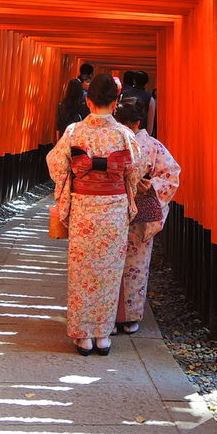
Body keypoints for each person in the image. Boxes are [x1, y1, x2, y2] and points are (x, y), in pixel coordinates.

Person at [47, 75, 143, 356]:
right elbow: (133, 171)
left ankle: (83, 336)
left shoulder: (75, 132)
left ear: (88, 101)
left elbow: (55, 164)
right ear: (116, 102)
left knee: (82, 272)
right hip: (113, 209)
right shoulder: (124, 134)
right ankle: (103, 335)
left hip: (84, 209)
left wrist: (75, 179)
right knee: (110, 273)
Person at [112, 97, 181, 334]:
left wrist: (148, 185)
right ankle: (129, 317)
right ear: (140, 121)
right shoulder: (153, 145)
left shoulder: (113, 142)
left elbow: (171, 174)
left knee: (113, 263)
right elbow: (171, 174)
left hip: (114, 210)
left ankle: (111, 314)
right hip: (136, 212)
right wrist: (152, 187)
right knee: (135, 265)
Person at [127, 71, 156, 136]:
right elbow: (150, 120)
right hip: (141, 133)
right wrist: (148, 136)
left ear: (134, 81)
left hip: (126, 131)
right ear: (146, 83)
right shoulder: (149, 98)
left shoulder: (126, 94)